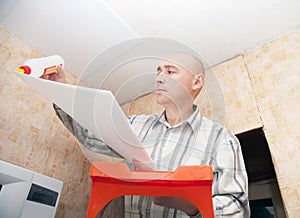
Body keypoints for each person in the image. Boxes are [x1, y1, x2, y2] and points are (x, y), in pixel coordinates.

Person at [42, 53, 250, 217]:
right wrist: (59, 90)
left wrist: (189, 205)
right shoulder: (135, 124)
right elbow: (89, 135)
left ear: (196, 82)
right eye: (158, 71)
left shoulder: (222, 140)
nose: (159, 77)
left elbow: (236, 207)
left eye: (170, 71)